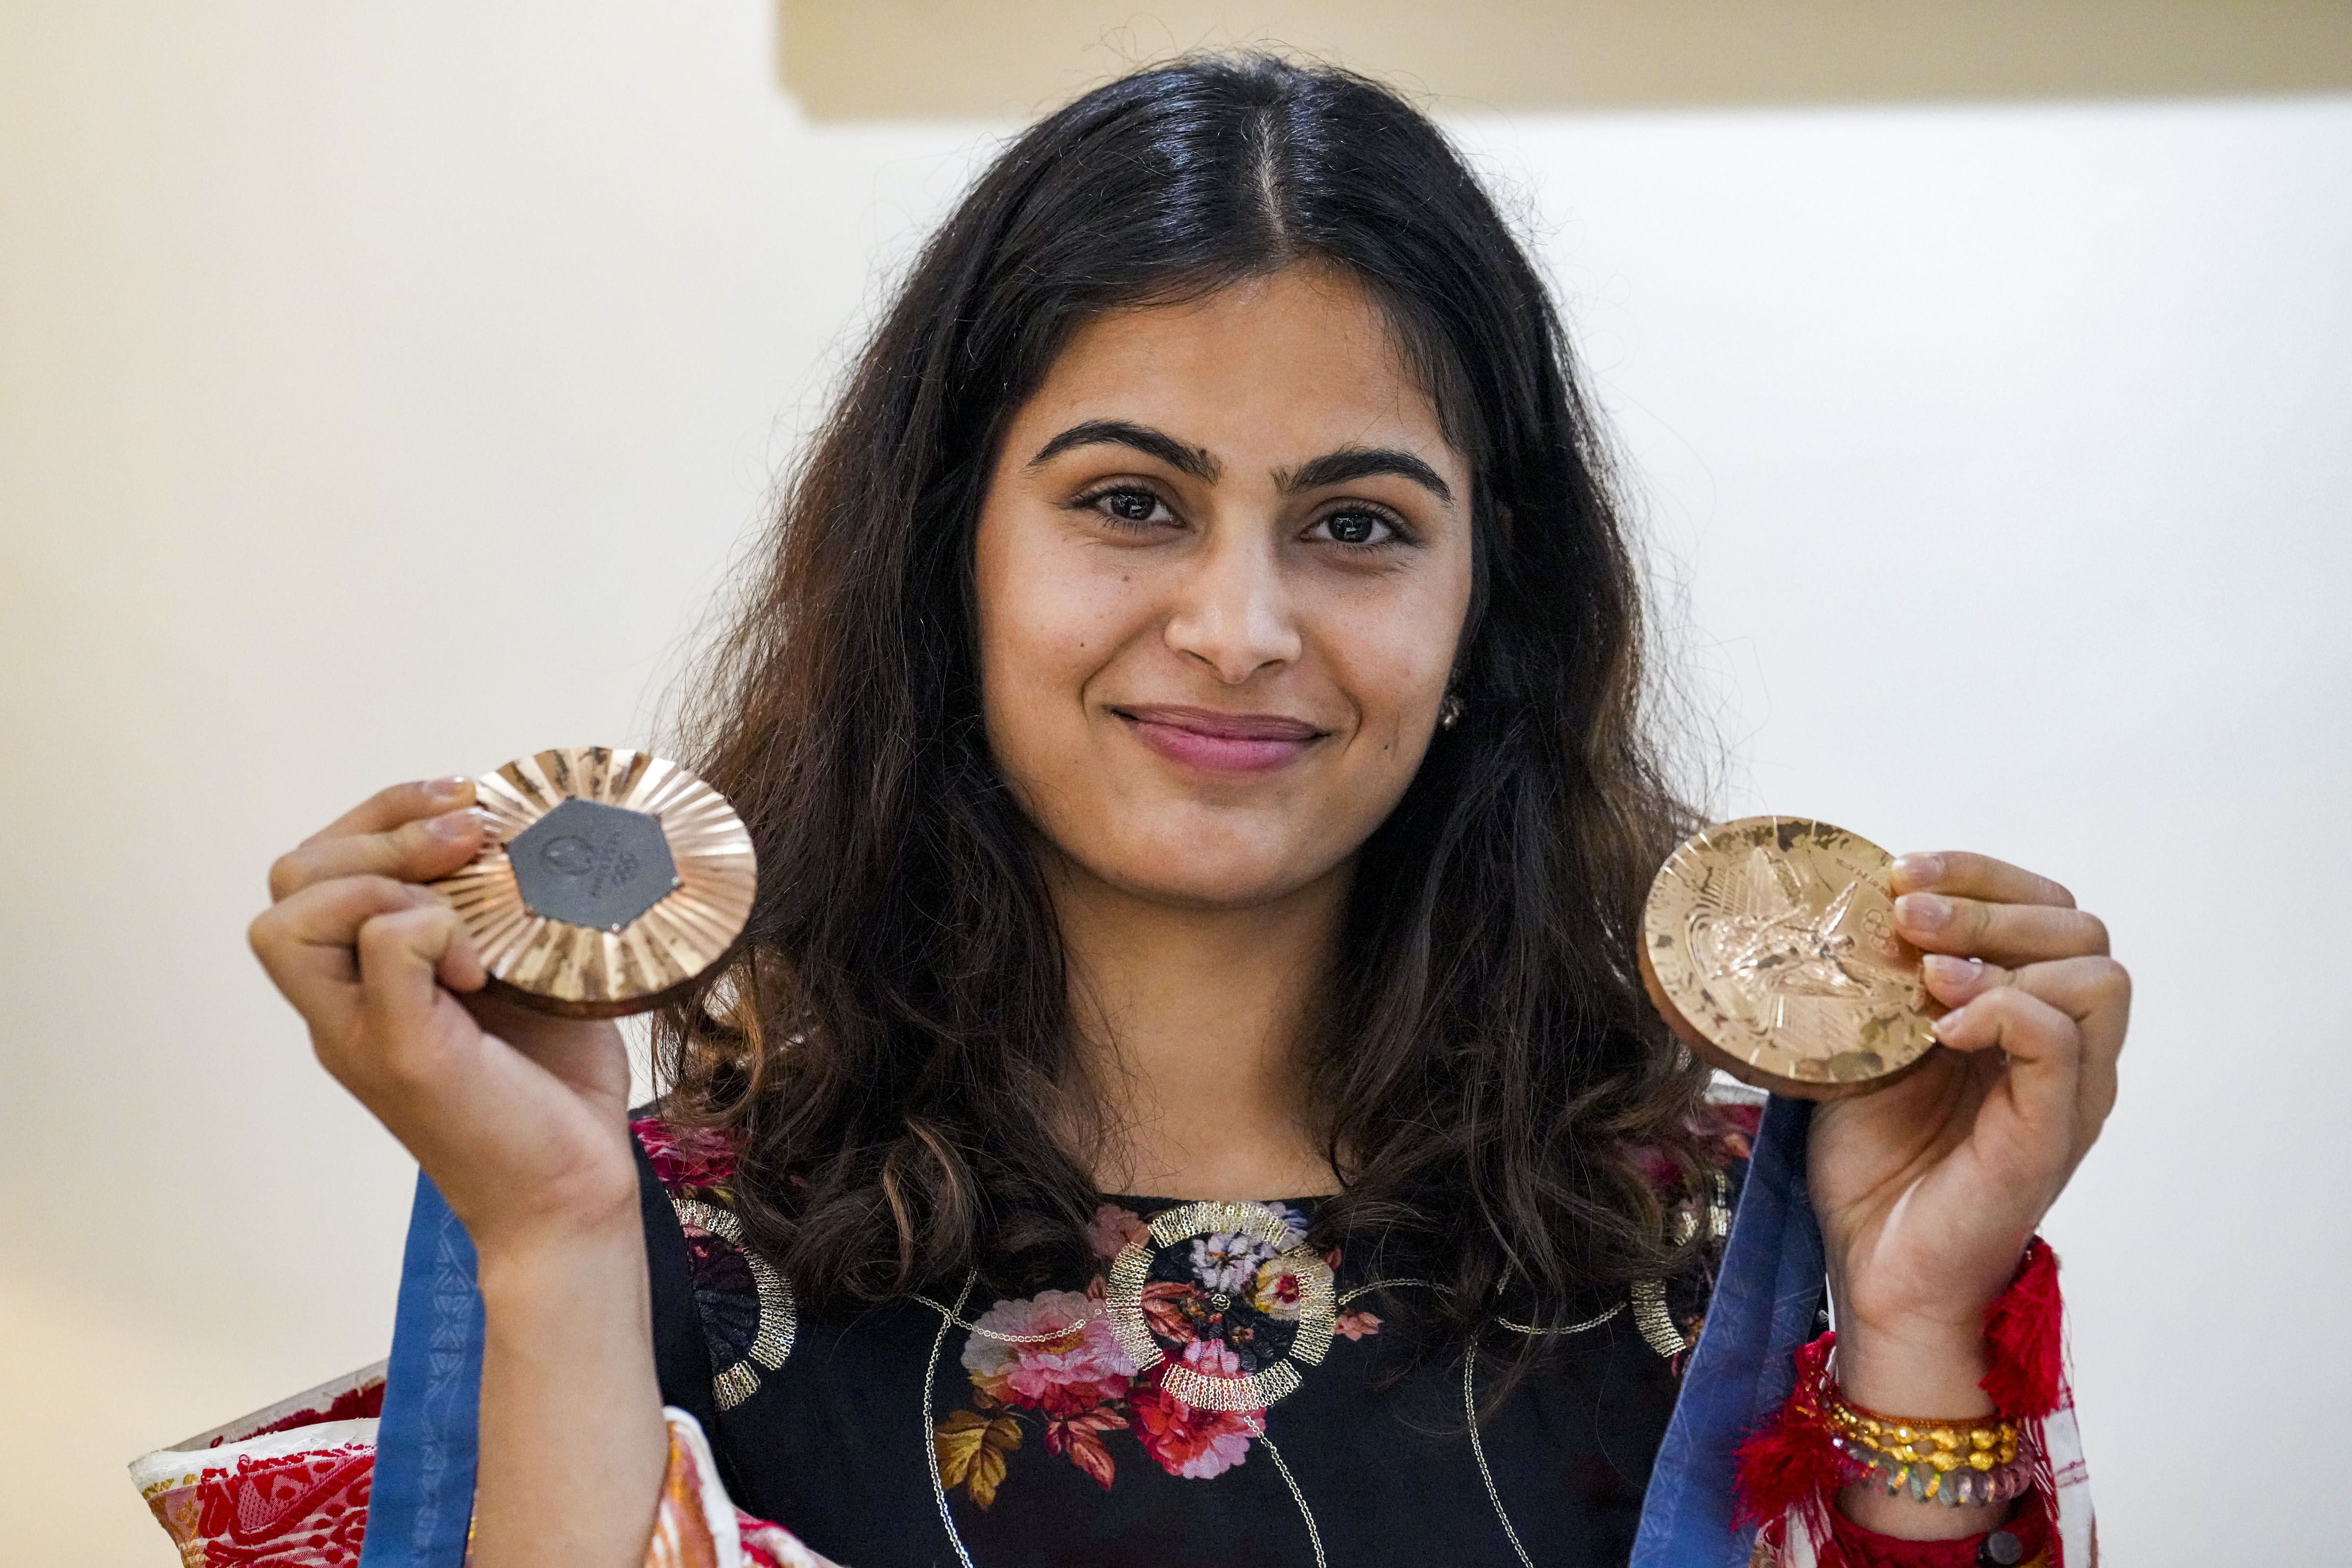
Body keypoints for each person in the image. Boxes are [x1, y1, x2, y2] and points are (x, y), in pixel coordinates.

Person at [246, 54, 2126, 1568]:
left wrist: (1906, 1318)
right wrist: (566, 1246)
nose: (1239, 630)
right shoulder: (659, 1241)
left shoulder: (1718, 1250)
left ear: (1491, 611)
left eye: (1360, 527)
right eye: (1130, 500)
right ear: (946, 567)